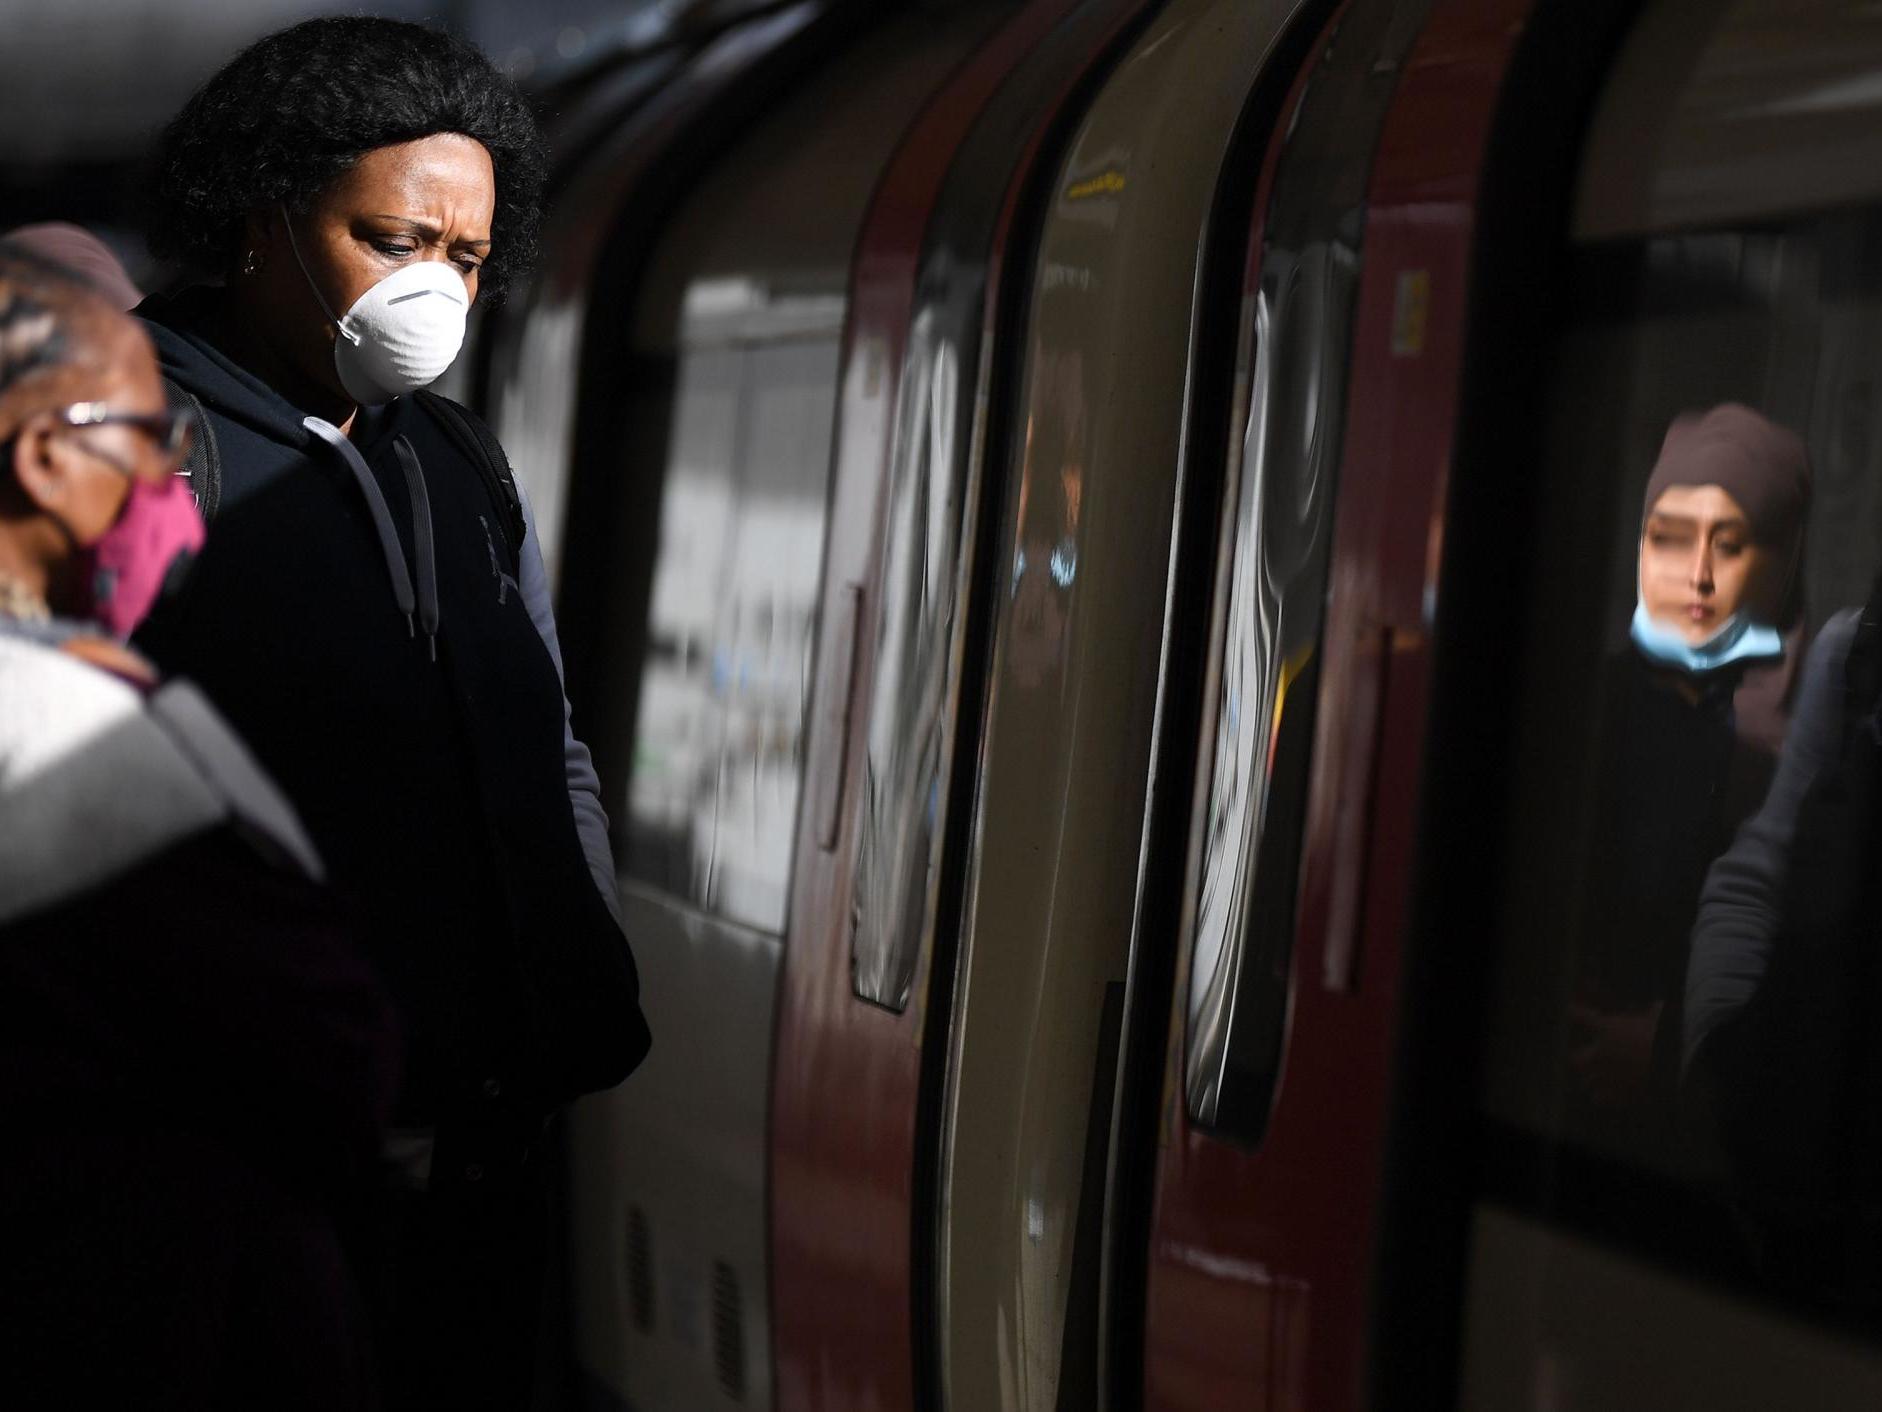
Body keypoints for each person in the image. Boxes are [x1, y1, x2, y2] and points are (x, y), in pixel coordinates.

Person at [131, 17, 649, 1407]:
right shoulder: (127, 446)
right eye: (392, 240)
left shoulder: (455, 461)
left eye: (468, 259)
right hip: (240, 1182)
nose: (438, 291)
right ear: (261, 215)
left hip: (478, 1148)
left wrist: (570, 953)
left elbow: (546, 739)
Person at [0, 245, 398, 1407]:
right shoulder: (75, 737)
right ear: (43, 456)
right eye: (145, 436)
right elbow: (330, 1055)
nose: (170, 479)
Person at [1569, 404, 1809, 1144]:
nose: (1697, 576)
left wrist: (1675, 1045)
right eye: (1670, 539)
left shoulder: (1814, 741)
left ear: (1784, 560)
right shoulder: (1582, 705)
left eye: (1731, 545)